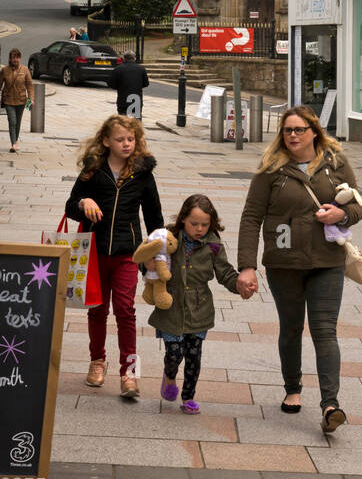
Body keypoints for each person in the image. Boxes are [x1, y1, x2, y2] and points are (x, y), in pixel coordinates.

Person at [237, 104, 362, 432]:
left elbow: (357, 204)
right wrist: (247, 266)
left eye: (299, 130)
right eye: (287, 130)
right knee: (291, 328)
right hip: (284, 262)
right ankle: (292, 388)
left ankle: (330, 405)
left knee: (324, 331)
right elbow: (251, 216)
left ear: (314, 132)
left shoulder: (336, 163)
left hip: (326, 261)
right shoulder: (271, 168)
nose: (292, 136)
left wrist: (343, 216)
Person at [64, 114, 164, 397]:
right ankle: (97, 361)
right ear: (106, 141)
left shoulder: (143, 173)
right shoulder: (93, 169)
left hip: (127, 254)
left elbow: (154, 217)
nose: (127, 144)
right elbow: (70, 206)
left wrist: (157, 253)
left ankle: (129, 372)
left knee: (125, 310)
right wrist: (84, 202)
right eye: (120, 139)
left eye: (131, 139)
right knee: (97, 310)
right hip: (94, 252)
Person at [149, 194, 251, 414]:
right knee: (174, 353)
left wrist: (240, 285)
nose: (199, 229)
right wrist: (148, 265)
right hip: (172, 308)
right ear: (183, 219)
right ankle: (169, 375)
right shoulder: (168, 238)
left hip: (199, 308)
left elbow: (224, 272)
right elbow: (147, 260)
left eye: (204, 224)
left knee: (194, 356)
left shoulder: (213, 244)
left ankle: (188, 397)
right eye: (194, 223)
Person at [0, 47, 33, 153]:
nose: (15, 59)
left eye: (17, 57)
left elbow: (30, 86)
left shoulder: (25, 70)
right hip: (8, 100)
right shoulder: (5, 70)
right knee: (12, 121)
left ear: (20, 58)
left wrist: (31, 99)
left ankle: (15, 141)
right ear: (10, 59)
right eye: (13, 57)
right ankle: (13, 143)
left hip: (21, 100)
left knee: (18, 122)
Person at [108, 52, 149, 119]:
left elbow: (112, 85)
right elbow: (146, 84)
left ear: (123, 58)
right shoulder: (141, 68)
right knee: (135, 122)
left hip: (123, 100)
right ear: (134, 58)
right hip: (136, 99)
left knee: (123, 121)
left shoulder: (118, 69)